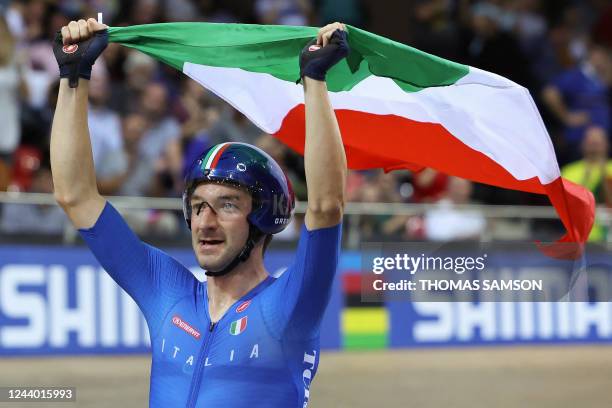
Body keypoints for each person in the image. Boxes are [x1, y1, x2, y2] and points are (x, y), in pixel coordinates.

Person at [50, 17, 348, 408]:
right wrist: (74, 76)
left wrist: (314, 79)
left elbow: (326, 207)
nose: (205, 222)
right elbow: (76, 197)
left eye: (227, 205)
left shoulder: (289, 307)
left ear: (264, 217)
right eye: (197, 206)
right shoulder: (166, 291)